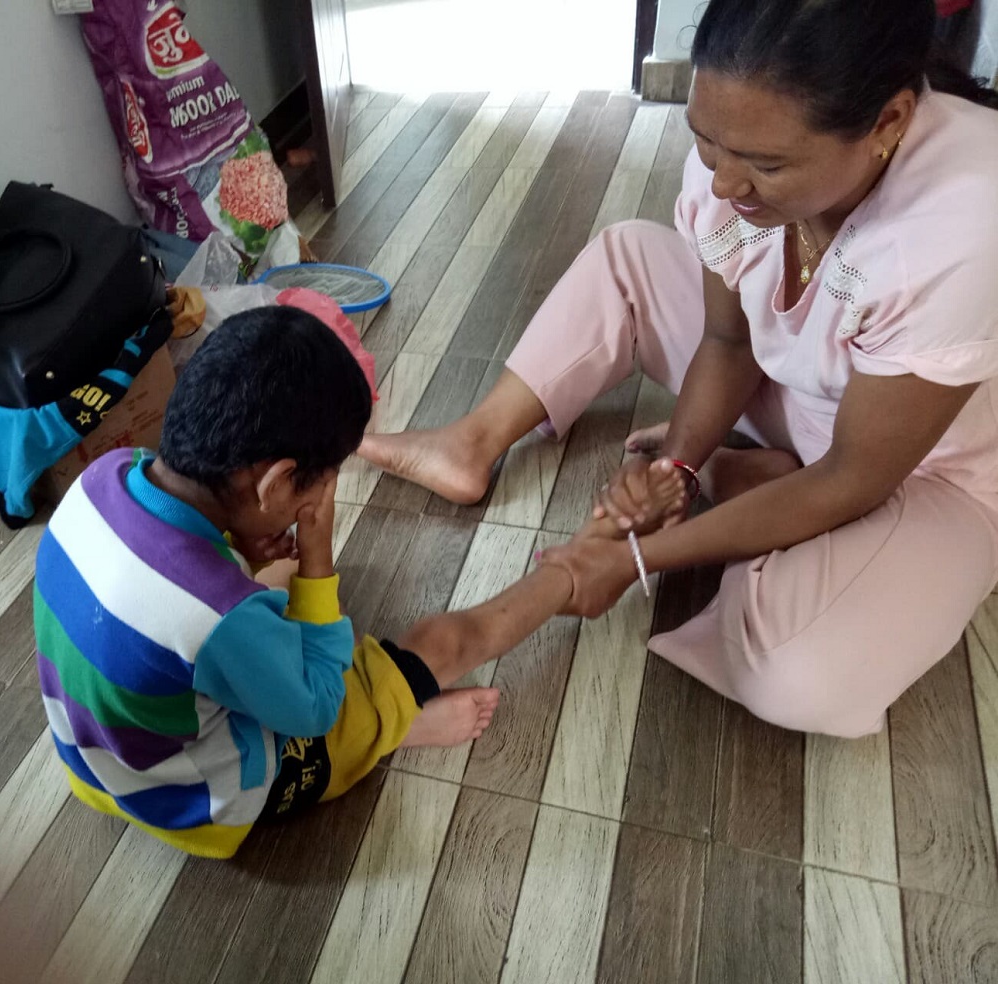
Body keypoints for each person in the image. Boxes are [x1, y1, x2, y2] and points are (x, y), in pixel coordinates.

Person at [359, 0, 998, 739]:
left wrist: (630, 560)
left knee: (800, 674)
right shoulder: (741, 153)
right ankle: (475, 440)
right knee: (631, 254)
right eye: (706, 142)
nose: (724, 184)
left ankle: (777, 497)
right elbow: (727, 343)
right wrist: (679, 471)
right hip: (796, 388)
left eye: (764, 164)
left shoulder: (965, 219)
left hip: (927, 472)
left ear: (886, 124)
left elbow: (858, 473)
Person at [33, 306, 572, 859]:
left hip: (97, 763)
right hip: (200, 803)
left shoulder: (105, 474)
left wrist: (238, 547)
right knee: (440, 641)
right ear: (276, 482)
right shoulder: (218, 616)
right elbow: (315, 710)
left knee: (266, 593)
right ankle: (572, 576)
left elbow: (169, 570)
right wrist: (317, 558)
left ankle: (377, 722)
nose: (313, 507)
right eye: (316, 491)